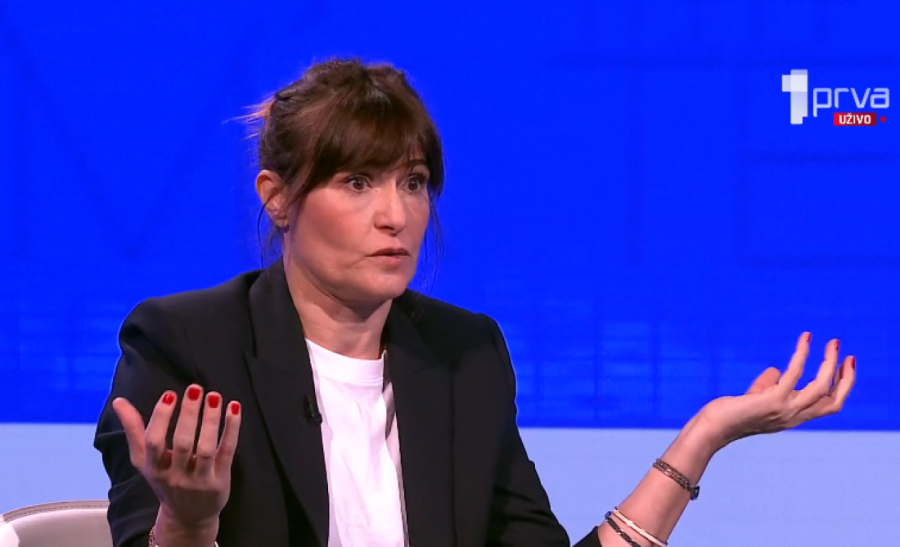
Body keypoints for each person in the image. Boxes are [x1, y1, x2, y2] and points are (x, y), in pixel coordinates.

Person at [93, 57, 856, 547]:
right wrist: (189, 519)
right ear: (278, 197)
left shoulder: (465, 357)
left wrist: (702, 438)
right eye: (357, 182)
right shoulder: (186, 345)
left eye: (413, 181)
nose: (396, 215)